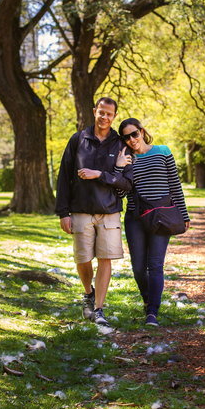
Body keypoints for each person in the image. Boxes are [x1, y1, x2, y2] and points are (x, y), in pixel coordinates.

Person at [55, 97, 133, 327]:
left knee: (105, 259)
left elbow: (127, 184)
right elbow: (64, 177)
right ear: (94, 112)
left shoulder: (121, 145)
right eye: (101, 112)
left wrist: (100, 173)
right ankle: (88, 293)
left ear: (114, 116)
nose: (105, 117)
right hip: (80, 211)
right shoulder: (78, 139)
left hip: (109, 212)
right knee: (83, 258)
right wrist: (63, 212)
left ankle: (99, 308)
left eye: (109, 114)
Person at [118, 118, 190, 327]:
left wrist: (183, 214)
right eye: (126, 137)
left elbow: (174, 185)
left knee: (155, 265)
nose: (132, 139)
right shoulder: (128, 159)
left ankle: (152, 312)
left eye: (134, 134)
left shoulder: (162, 151)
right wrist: (119, 167)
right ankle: (149, 300)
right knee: (139, 269)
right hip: (135, 218)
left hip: (161, 215)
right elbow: (121, 191)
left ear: (141, 131)